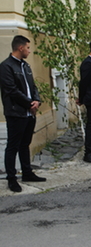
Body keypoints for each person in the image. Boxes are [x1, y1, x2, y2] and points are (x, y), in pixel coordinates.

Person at [0, 35, 46, 192]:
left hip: (29, 112)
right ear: (20, 48)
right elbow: (11, 90)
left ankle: (27, 172)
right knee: (12, 146)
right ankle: (11, 178)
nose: (29, 50)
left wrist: (37, 101)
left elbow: (33, 87)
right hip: (16, 112)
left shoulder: (26, 66)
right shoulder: (6, 66)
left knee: (25, 144)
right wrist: (28, 103)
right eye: (27, 47)